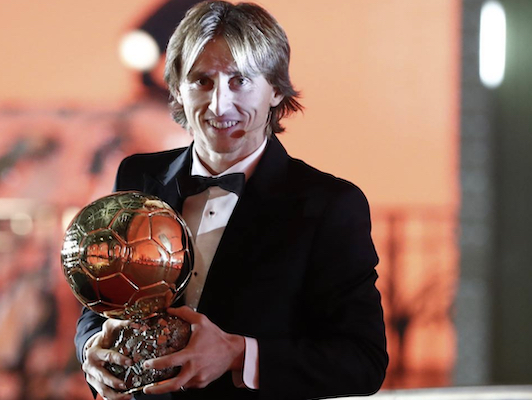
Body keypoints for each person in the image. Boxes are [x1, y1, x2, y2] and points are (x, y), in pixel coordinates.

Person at [75, 2, 388, 399]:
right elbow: (100, 305)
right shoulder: (136, 177)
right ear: (177, 89)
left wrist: (239, 354)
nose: (219, 105)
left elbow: (362, 362)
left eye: (240, 81)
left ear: (276, 90)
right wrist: (91, 348)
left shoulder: (330, 205)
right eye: (202, 81)